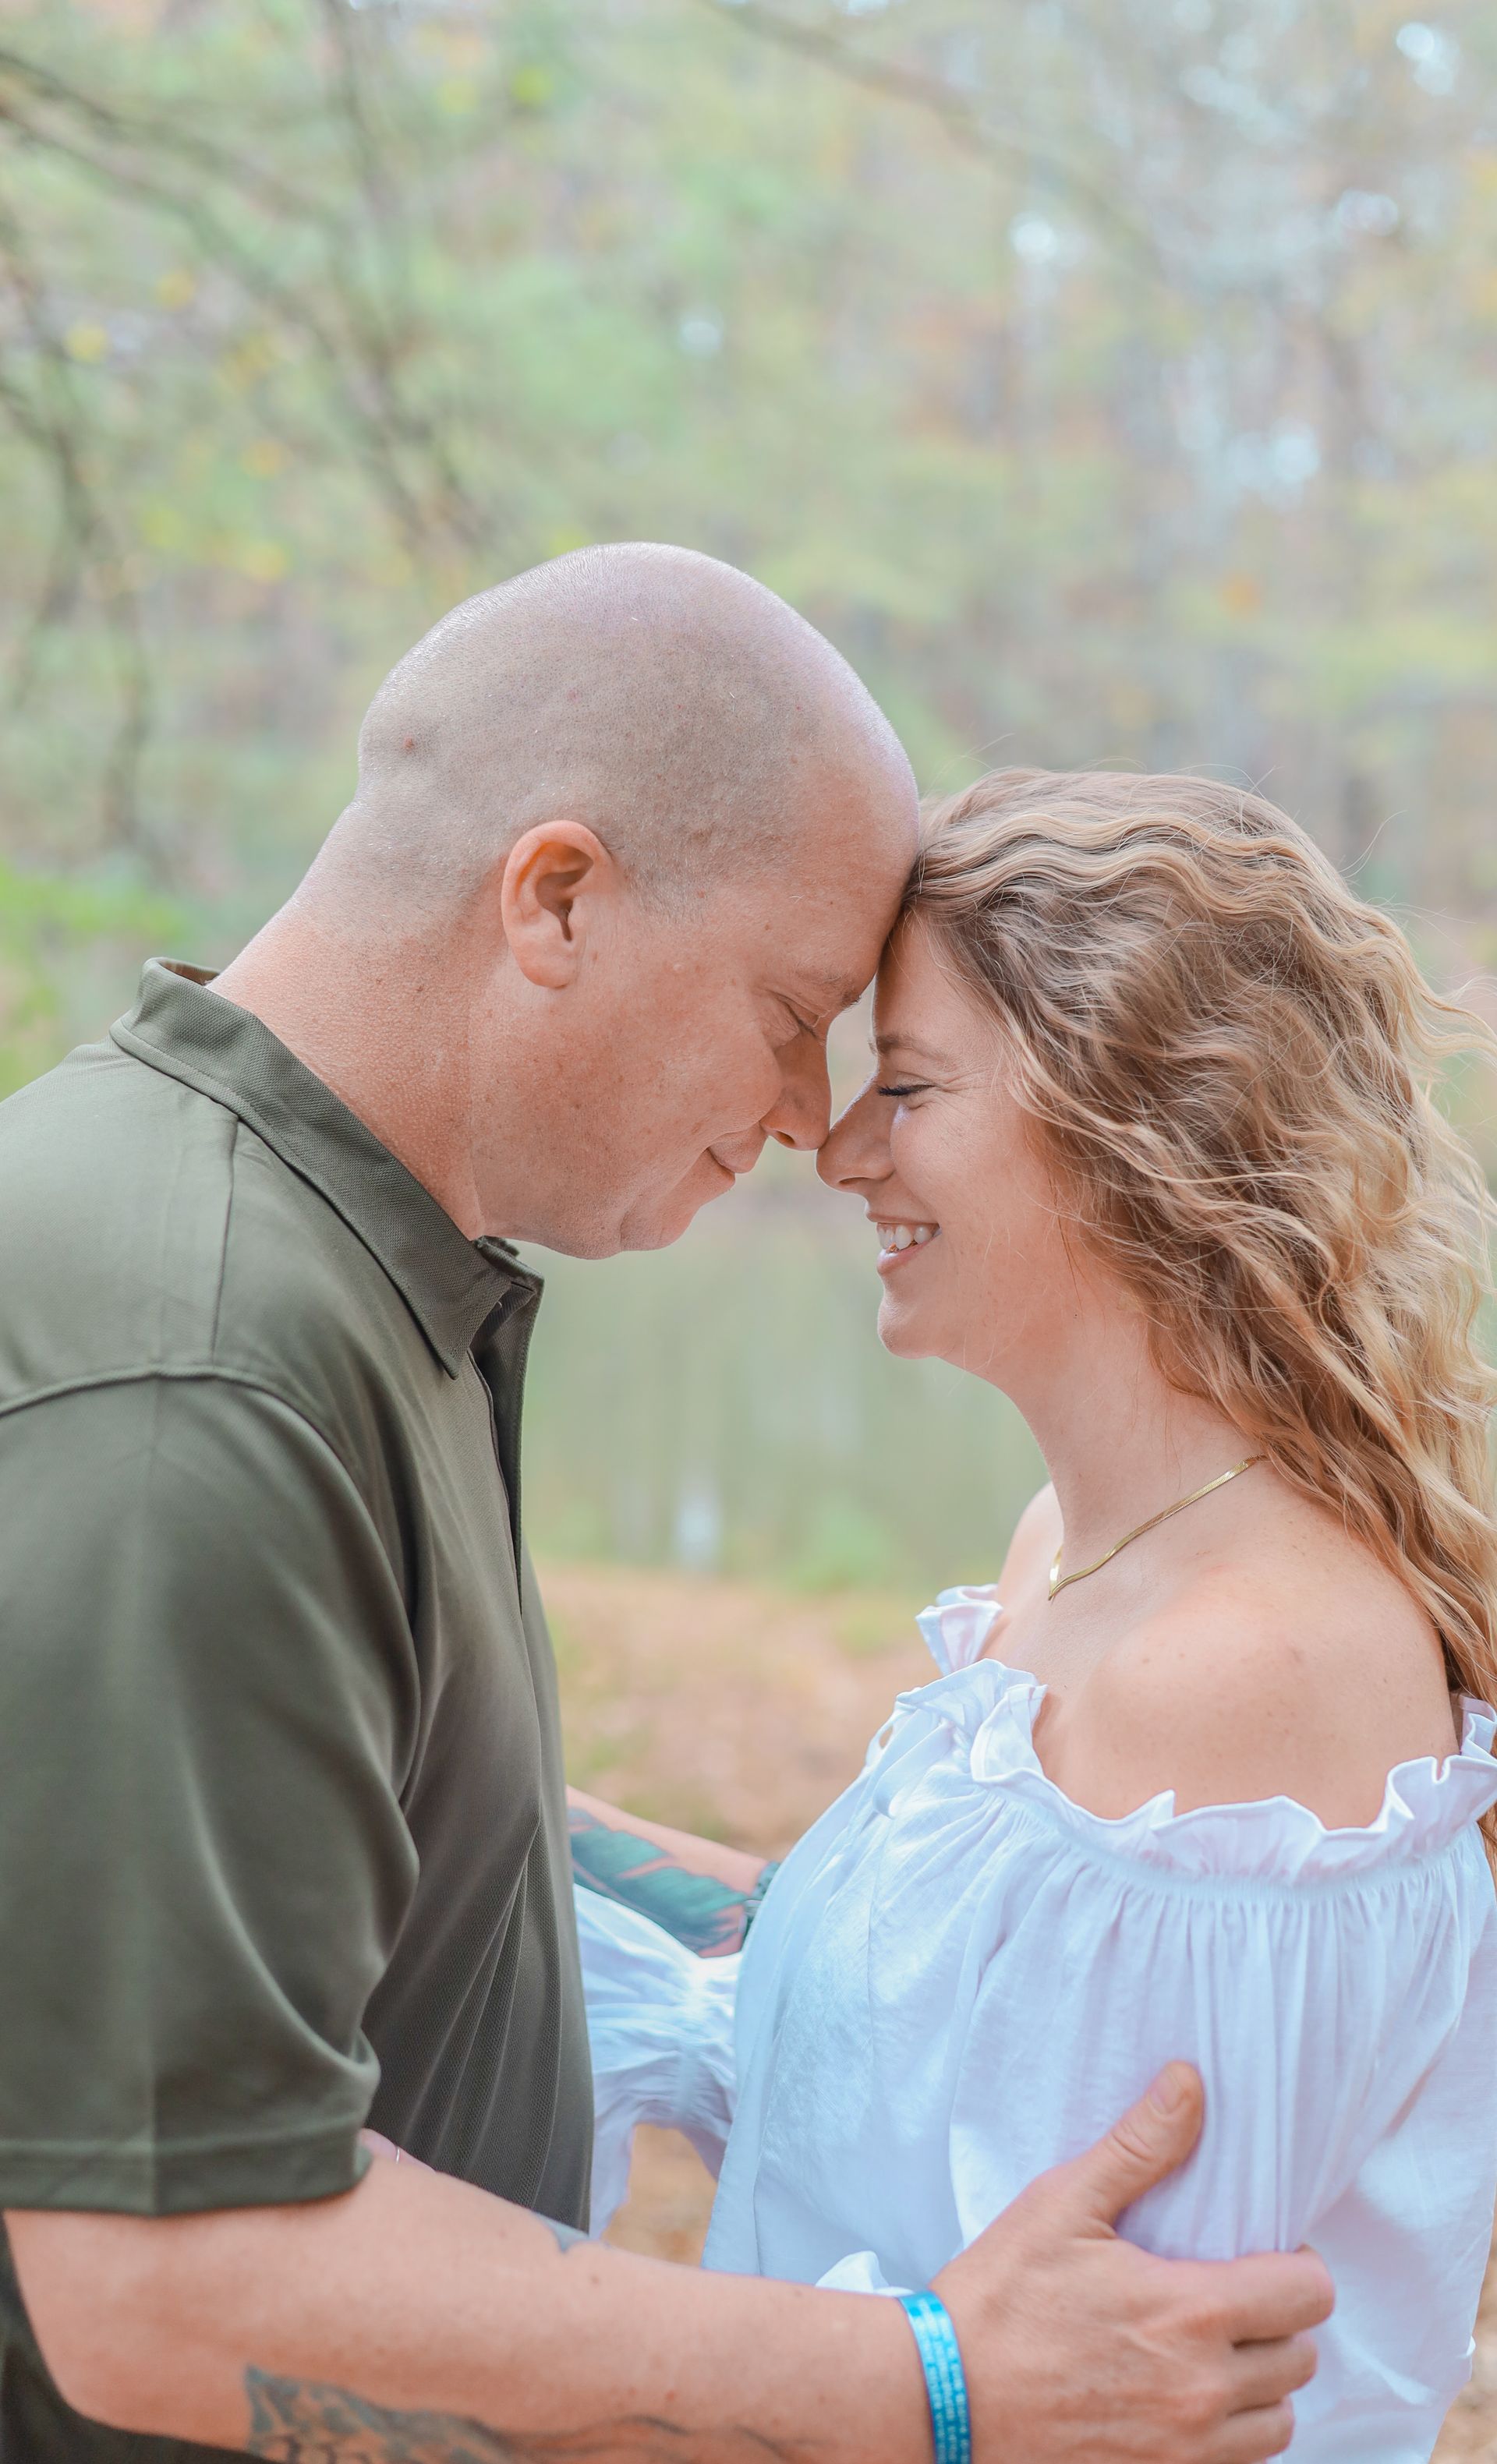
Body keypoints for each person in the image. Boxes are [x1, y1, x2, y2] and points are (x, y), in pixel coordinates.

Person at [0, 560, 1329, 2462]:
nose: (811, 1115)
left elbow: (345, 1806)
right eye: (794, 1011)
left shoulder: (333, 1265)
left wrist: (841, 1941)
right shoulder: (196, 1375)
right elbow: (166, 2276)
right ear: (556, 899)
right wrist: (938, 2384)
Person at [574, 770, 1497, 2462]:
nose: (841, 1151)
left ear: (1129, 1121)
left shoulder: (1241, 1682)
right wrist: (493, 1827)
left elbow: (1118, 2395)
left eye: (908, 1088)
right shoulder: (1068, 1551)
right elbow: (884, 2072)